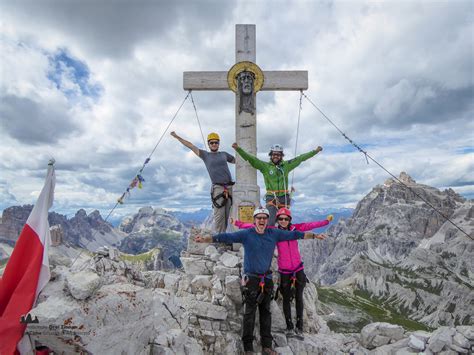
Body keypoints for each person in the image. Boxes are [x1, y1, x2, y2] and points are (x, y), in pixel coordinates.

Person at [195, 208, 325, 355]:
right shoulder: (246, 234)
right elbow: (227, 237)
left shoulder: (274, 234)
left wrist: (314, 236)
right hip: (251, 280)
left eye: (264, 218)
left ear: (267, 220)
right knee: (249, 314)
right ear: (254, 220)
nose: (262, 220)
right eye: (259, 218)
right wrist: (207, 239)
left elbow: (295, 234)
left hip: (266, 279)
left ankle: (267, 346)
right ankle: (248, 348)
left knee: (266, 313)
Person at [231, 207, 333, 339]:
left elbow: (310, 225)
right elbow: (251, 225)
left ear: (289, 220)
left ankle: (299, 327)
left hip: (298, 269)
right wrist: (237, 223)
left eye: (286, 219)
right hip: (284, 270)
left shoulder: (295, 229)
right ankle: (290, 327)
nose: (283, 221)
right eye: (280, 219)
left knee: (299, 297)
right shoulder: (273, 231)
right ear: (277, 220)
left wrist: (326, 222)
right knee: (286, 299)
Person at [232, 142, 323, 225]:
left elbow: (300, 158)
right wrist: (238, 149)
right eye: (274, 154)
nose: (276, 156)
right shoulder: (265, 167)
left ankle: (283, 241)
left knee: (285, 222)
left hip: (284, 198)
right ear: (271, 155)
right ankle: (270, 240)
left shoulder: (286, 166)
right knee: (270, 222)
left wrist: (315, 151)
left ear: (281, 156)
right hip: (272, 198)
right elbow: (251, 159)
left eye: (278, 154)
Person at [171, 131, 235, 233]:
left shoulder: (224, 154)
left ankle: (227, 238)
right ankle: (220, 240)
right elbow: (191, 146)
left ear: (218, 143)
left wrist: (239, 150)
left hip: (230, 187)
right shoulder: (205, 155)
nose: (214, 144)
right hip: (218, 189)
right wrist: (177, 137)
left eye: (216, 142)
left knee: (230, 214)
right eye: (212, 142)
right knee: (219, 217)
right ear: (208, 144)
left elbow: (238, 161)